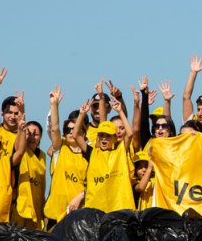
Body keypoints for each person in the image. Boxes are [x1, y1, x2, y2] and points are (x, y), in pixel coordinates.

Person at [70, 82, 135, 212]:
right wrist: (82, 114)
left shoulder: (120, 151)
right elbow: (76, 135)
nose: (104, 139)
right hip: (96, 210)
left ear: (115, 138)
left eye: (108, 136)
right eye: (101, 136)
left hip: (119, 208)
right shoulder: (92, 152)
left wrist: (120, 111)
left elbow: (130, 133)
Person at [43, 87, 89, 226]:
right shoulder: (60, 147)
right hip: (55, 214)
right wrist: (54, 105)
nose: (70, 132)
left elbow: (93, 184)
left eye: (74, 129)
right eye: (67, 129)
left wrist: (80, 197)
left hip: (79, 214)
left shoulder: (89, 153)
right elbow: (54, 128)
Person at [12, 119, 46, 230]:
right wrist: (21, 129)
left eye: (35, 134)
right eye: (28, 133)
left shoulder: (42, 156)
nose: (31, 137)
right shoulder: (22, 151)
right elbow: (18, 148)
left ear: (40, 137)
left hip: (36, 208)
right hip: (20, 206)